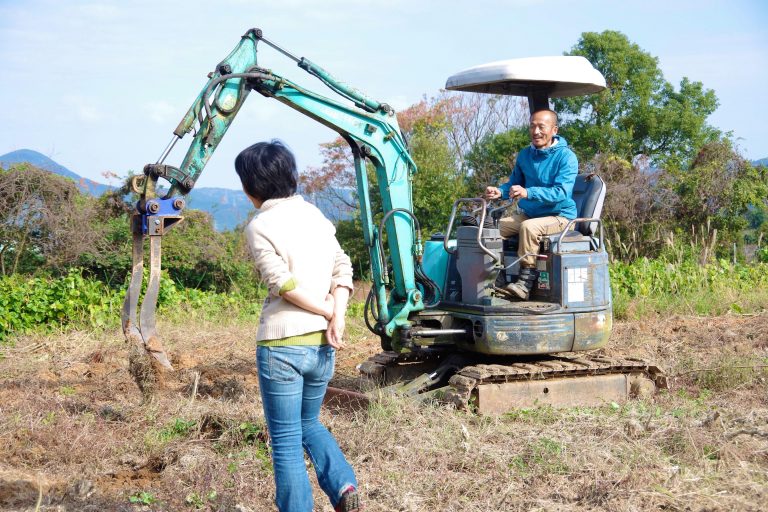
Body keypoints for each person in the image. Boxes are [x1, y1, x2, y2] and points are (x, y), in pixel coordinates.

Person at [235, 140, 361, 512]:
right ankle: (343, 487)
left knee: (286, 442)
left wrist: (326, 311)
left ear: (251, 186)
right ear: (290, 177)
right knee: (309, 422)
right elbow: (343, 268)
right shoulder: (316, 216)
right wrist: (336, 313)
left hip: (282, 347)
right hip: (323, 346)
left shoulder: (259, 226)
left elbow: (283, 284)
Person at [484, 109, 578, 300]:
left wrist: (528, 192)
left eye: (541, 127)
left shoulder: (566, 157)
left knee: (528, 227)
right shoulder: (525, 155)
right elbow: (513, 183)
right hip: (531, 214)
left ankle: (524, 284)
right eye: (532, 126)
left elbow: (561, 193)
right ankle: (498, 277)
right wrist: (500, 192)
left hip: (560, 216)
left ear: (553, 130)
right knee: (492, 228)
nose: (536, 132)